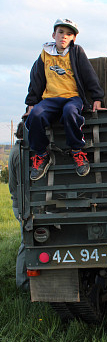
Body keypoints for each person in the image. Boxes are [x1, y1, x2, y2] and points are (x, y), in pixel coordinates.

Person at [24, 18, 105, 181]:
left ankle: (77, 151)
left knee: (70, 113)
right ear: (54, 34)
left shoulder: (77, 52)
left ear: (73, 38)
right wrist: (31, 104)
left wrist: (97, 97)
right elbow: (37, 79)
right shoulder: (45, 53)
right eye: (61, 32)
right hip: (50, 99)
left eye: (69, 34)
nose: (64, 37)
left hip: (72, 98)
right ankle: (42, 154)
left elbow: (89, 75)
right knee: (35, 116)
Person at [8, 121, 29, 290]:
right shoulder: (21, 153)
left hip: (19, 202)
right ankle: (22, 282)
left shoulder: (16, 150)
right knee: (26, 242)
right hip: (23, 204)